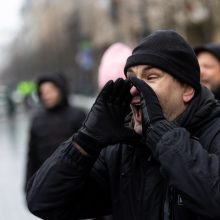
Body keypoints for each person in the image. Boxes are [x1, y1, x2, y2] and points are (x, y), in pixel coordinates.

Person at [27, 30, 220, 220]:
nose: (136, 88)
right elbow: (43, 203)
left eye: (151, 77)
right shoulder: (121, 152)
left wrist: (160, 133)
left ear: (187, 90)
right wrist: (86, 140)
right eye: (131, 78)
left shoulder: (214, 133)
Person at [25, 72, 86, 191]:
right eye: (43, 92)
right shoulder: (37, 120)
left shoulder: (77, 115)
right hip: (47, 184)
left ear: (60, 90)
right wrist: (29, 185)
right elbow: (32, 155)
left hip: (77, 182)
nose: (46, 95)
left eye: (50, 91)